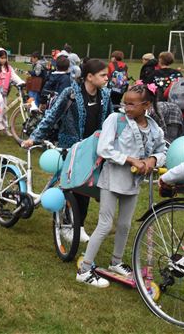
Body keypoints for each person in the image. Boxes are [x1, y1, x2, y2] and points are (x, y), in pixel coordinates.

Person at [76, 84, 166, 287]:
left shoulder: (154, 128)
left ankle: (116, 262)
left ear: (146, 105)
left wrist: (152, 160)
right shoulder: (115, 120)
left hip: (132, 183)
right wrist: (131, 160)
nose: (127, 107)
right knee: (105, 223)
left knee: (125, 224)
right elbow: (104, 149)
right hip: (111, 178)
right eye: (125, 102)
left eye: (132, 104)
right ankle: (84, 269)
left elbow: (162, 150)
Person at [22, 59, 114, 242]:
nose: (107, 78)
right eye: (103, 75)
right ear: (89, 76)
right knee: (69, 188)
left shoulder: (105, 95)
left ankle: (78, 225)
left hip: (93, 150)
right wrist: (35, 137)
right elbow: (52, 116)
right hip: (71, 148)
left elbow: (110, 122)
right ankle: (65, 224)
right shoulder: (71, 93)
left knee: (87, 189)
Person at [0, 47, 25, 133]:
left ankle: (6, 128)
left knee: (4, 110)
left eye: (5, 58)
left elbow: (14, 77)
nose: (3, 60)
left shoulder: (9, 68)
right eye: (1, 58)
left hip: (3, 91)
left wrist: (22, 82)